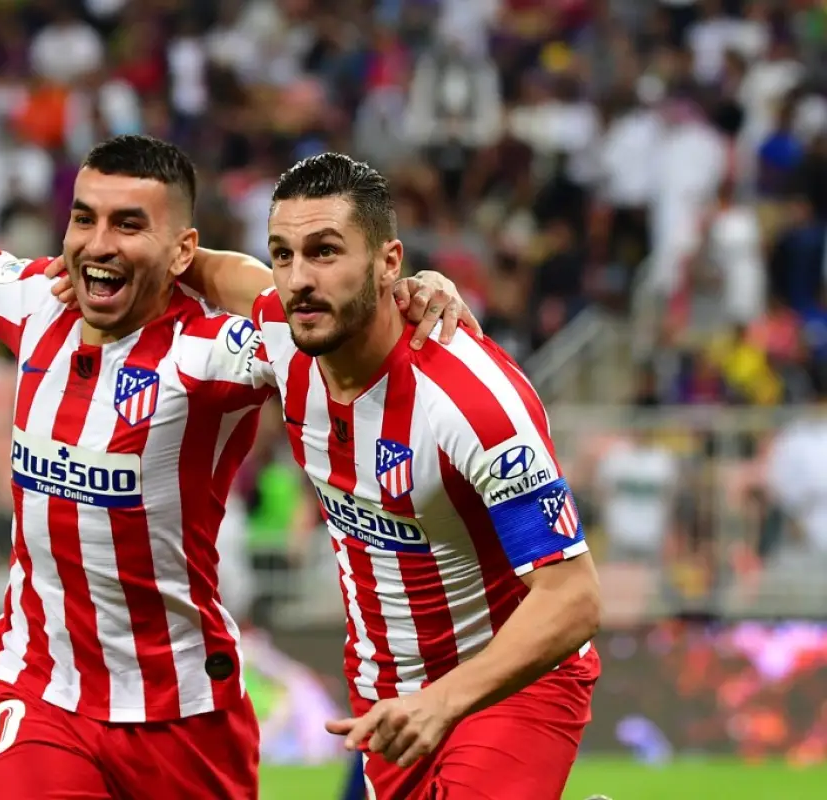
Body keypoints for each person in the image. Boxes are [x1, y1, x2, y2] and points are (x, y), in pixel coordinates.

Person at [0, 43, 475, 799]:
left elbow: (324, 320)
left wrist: (404, 289)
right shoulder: (34, 302)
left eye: (127, 224)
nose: (97, 244)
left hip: (185, 712)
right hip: (40, 691)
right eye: (84, 219)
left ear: (183, 248)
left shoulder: (214, 357)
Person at [175, 153, 603, 799]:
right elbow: (226, 276)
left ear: (389, 263)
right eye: (284, 254)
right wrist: (142, 253)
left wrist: (445, 702)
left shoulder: (468, 401)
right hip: (386, 695)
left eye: (325, 252)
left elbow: (574, 596)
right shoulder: (285, 338)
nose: (297, 279)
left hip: (510, 682)